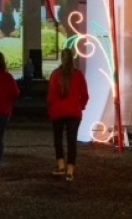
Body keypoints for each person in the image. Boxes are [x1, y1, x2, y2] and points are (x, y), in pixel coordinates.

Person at [47, 47, 89, 181]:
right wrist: (80, 106)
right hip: (74, 112)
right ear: (73, 58)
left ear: (61, 58)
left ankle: (60, 165)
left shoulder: (55, 74)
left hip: (58, 111)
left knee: (58, 139)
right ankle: (70, 169)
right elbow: (85, 95)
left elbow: (50, 96)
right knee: (72, 141)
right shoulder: (78, 75)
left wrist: (51, 108)